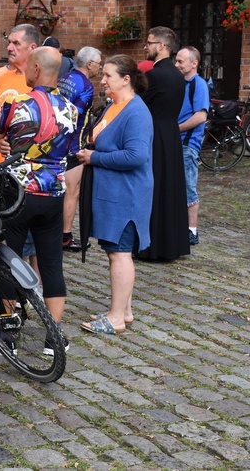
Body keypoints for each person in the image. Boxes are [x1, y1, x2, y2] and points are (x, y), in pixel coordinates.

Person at [0, 47, 78, 356]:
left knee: (8, 262)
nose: (24, 68)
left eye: (28, 64)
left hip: (17, 195)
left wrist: (4, 143)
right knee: (52, 263)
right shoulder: (71, 110)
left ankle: (8, 331)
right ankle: (53, 336)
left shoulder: (17, 105)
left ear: (38, 70)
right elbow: (68, 150)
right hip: (53, 194)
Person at [77, 54, 153, 335]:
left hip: (127, 193)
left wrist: (94, 158)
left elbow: (136, 156)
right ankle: (125, 311)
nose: (103, 79)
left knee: (120, 253)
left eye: (108, 75)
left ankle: (116, 318)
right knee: (115, 252)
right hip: (113, 192)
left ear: (126, 79)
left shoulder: (135, 112)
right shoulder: (115, 106)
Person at [138, 26, 190, 261]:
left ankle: (152, 246)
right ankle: (172, 244)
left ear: (161, 46)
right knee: (170, 188)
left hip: (155, 133)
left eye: (149, 43)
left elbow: (138, 104)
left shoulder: (155, 76)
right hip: (171, 133)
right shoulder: (178, 75)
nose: (146, 46)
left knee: (154, 188)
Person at [57, 46, 102, 252]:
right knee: (72, 192)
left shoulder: (65, 78)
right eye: (99, 64)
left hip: (55, 142)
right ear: (89, 64)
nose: (100, 68)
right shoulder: (86, 86)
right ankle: (65, 237)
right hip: (73, 145)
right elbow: (75, 116)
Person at [0, 24, 39, 166]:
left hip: (19, 169)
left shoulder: (37, 83)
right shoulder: (4, 77)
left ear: (32, 48)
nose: (9, 48)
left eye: (16, 43)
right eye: (9, 42)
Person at [175, 46, 209, 245]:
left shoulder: (199, 85)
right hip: (175, 141)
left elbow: (200, 116)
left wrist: (175, 129)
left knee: (188, 187)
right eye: (177, 61)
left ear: (194, 64)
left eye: (181, 61)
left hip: (187, 144)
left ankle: (192, 231)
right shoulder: (180, 83)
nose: (177, 65)